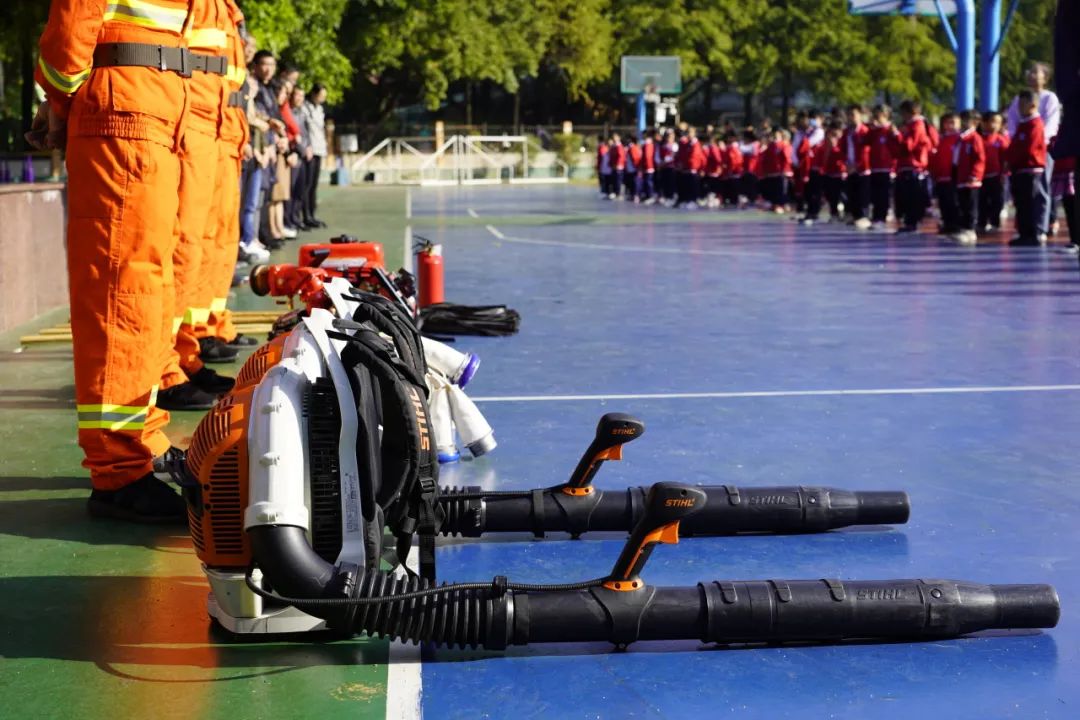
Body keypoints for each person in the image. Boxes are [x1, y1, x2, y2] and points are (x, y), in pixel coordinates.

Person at [31, 0, 195, 522]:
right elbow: (72, 28)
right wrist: (59, 100)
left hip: (148, 105)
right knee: (123, 292)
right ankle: (118, 471)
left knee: (147, 291)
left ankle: (137, 441)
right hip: (125, 107)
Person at [158, 0, 238, 414]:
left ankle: (182, 353)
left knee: (203, 246)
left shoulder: (224, 10)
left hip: (211, 126)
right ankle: (165, 365)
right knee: (180, 249)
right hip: (187, 122)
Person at [1006, 62, 1061, 238]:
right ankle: (1025, 228)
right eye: (1030, 72)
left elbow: (1051, 123)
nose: (1032, 75)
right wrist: (1015, 142)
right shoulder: (1019, 98)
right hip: (1022, 150)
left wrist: (1040, 142)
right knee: (1022, 191)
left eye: (1036, 72)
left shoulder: (1049, 97)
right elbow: (1012, 121)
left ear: (1045, 77)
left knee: (1042, 188)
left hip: (1042, 149)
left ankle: (1042, 225)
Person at [1007, 90, 1049, 245]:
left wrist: (1014, 160)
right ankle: (1024, 233)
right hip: (1020, 170)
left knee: (1032, 202)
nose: (1019, 107)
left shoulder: (1036, 124)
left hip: (1031, 170)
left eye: (1023, 103)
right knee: (1022, 203)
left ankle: (1034, 233)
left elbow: (1029, 149)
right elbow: (1014, 146)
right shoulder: (1023, 124)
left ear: (1033, 104)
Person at [893, 100, 934, 233]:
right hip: (907, 165)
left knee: (912, 196)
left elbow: (908, 146)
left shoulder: (917, 125)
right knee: (905, 196)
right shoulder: (910, 125)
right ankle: (909, 221)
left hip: (914, 164)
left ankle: (912, 222)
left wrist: (897, 135)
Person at [298, 83, 328, 228]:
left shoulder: (320, 109)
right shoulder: (305, 108)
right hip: (310, 149)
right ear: (314, 94)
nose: (323, 98)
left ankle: (312, 214)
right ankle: (306, 216)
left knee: (314, 184)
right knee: (307, 184)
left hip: (319, 148)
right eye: (321, 95)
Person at [954, 109, 986, 245]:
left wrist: (975, 174)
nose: (963, 123)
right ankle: (963, 228)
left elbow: (980, 159)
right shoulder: (961, 138)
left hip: (971, 179)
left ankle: (970, 229)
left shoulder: (975, 138)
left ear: (975, 122)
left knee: (970, 205)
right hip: (961, 177)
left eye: (966, 120)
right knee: (962, 204)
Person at [978, 111, 1010, 234]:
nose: (994, 125)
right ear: (983, 123)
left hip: (996, 176)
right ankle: (981, 222)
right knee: (982, 200)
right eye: (992, 121)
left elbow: (1006, 158)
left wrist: (1004, 173)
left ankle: (994, 223)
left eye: (997, 122)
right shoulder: (979, 139)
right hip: (981, 177)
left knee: (997, 200)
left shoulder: (1001, 140)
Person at [867, 104, 897, 231]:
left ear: (885, 116)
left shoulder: (890, 130)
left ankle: (882, 217)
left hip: (886, 168)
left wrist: (893, 166)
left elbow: (897, 146)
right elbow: (865, 141)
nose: (876, 118)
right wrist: (871, 128)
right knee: (875, 194)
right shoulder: (874, 131)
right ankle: (876, 217)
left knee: (883, 194)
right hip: (875, 167)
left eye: (878, 115)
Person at [931, 112, 961, 237]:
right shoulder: (942, 139)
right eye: (947, 123)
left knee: (953, 201)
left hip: (953, 177)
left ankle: (955, 224)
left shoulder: (960, 139)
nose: (950, 126)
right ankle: (947, 223)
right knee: (943, 202)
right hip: (941, 177)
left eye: (953, 123)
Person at [844, 105, 872, 229]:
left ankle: (863, 216)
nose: (851, 117)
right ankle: (855, 216)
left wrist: (858, 165)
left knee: (862, 194)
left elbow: (865, 151)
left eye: (853, 115)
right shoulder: (847, 132)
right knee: (852, 192)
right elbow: (843, 148)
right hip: (850, 167)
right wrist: (846, 163)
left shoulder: (864, 131)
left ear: (860, 115)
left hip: (862, 168)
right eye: (849, 115)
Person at [821, 121, 848, 222]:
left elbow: (843, 155)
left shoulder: (844, 140)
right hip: (830, 171)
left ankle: (847, 213)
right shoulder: (827, 141)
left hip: (842, 171)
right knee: (832, 195)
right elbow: (825, 156)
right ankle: (834, 214)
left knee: (844, 195)